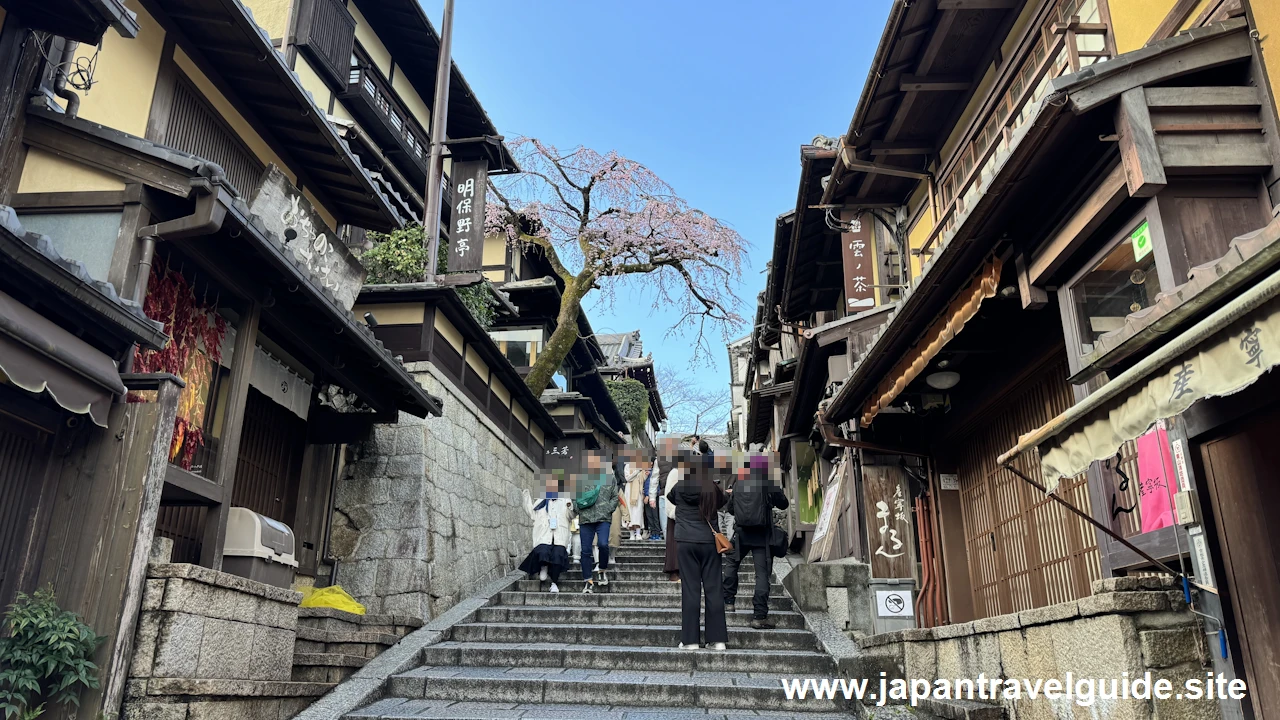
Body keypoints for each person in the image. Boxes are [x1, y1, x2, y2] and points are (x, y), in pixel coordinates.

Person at [668, 448, 729, 650]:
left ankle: (690, 640)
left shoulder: (680, 486)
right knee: (714, 589)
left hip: (685, 541)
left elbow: (669, 497)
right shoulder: (712, 487)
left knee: (690, 590)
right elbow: (724, 502)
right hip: (710, 542)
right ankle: (717, 640)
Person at [723, 454, 789, 628]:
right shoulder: (767, 481)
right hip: (762, 536)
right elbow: (783, 503)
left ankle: (728, 602)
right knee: (762, 575)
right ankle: (759, 616)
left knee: (731, 564)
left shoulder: (738, 484)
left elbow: (730, 509)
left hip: (741, 535)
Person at [575, 451, 622, 594]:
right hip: (586, 519)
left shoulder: (609, 477)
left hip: (603, 518)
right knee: (586, 550)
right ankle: (588, 581)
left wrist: (608, 509)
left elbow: (615, 496)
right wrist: (579, 509)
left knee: (603, 544)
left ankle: (602, 570)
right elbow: (574, 496)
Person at [518, 475, 574, 593]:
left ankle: (554, 583)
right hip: (544, 536)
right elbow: (532, 513)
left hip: (559, 536)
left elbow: (571, 516)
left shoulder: (565, 500)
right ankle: (543, 566)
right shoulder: (541, 501)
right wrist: (526, 498)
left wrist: (570, 505)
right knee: (542, 550)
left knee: (558, 554)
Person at [643, 454, 664, 541]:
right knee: (649, 516)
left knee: (655, 516)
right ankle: (652, 533)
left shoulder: (654, 472)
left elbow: (655, 485)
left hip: (654, 497)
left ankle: (657, 533)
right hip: (646, 497)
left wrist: (649, 495)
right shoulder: (645, 472)